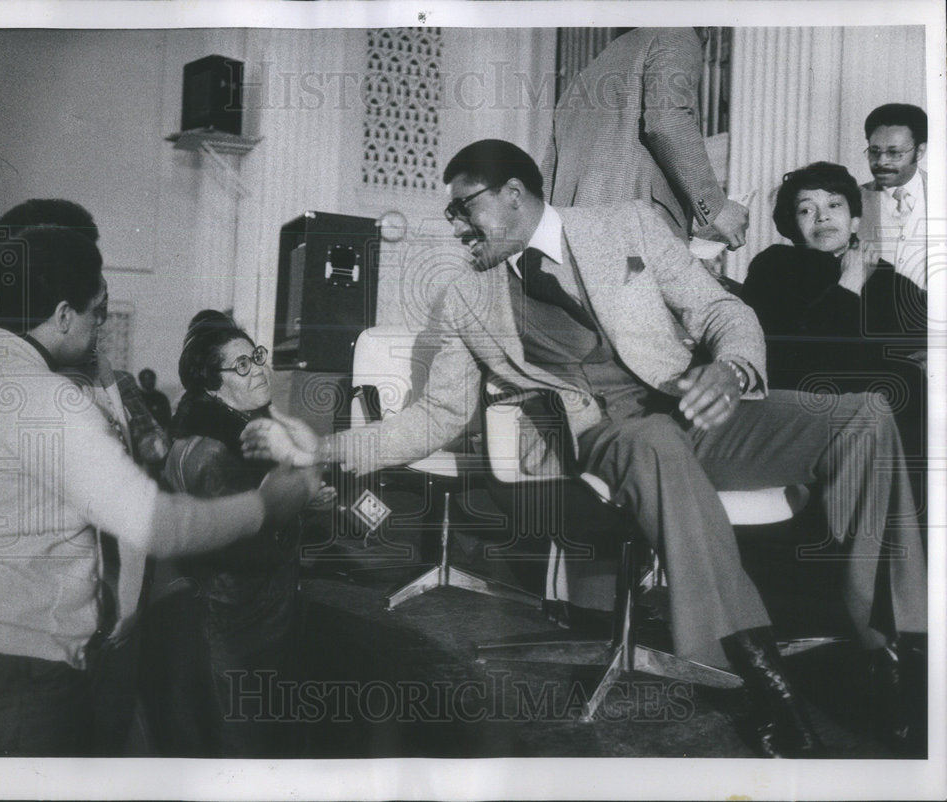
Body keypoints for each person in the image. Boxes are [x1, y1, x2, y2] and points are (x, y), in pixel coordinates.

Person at [251, 140, 928, 758]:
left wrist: (729, 368)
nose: (456, 226)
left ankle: (893, 649)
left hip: (696, 401)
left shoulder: (626, 224)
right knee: (656, 441)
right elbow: (434, 416)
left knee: (864, 417)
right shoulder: (466, 300)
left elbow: (721, 309)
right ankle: (762, 683)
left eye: (465, 208)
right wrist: (327, 447)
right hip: (608, 433)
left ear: (514, 194)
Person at [0, 225, 319, 756]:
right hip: (31, 666)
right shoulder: (48, 399)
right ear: (64, 314)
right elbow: (156, 523)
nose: (100, 330)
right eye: (97, 315)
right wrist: (269, 506)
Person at [0, 198, 169, 754]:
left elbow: (147, 448)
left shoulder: (102, 369)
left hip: (113, 605)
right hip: (38, 628)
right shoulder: (6, 371)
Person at [142, 310, 309, 757]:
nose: (257, 369)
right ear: (211, 385)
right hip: (241, 624)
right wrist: (290, 509)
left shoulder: (217, 437)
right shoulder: (215, 454)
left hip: (240, 617)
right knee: (245, 747)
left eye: (255, 356)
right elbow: (239, 547)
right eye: (241, 366)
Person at [742, 162, 926, 460]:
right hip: (808, 410)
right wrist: (849, 286)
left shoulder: (883, 276)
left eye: (834, 204)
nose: (822, 215)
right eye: (806, 209)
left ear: (854, 221)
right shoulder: (774, 267)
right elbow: (798, 359)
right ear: (792, 224)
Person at [540, 27, 749, 249]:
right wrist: (716, 206)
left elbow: (548, 176)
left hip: (574, 241)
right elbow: (667, 122)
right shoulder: (676, 34)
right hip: (632, 239)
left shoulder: (586, 74)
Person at [857, 103, 927, 292]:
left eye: (894, 153)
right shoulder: (851, 200)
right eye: (874, 151)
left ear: (919, 151)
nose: (881, 161)